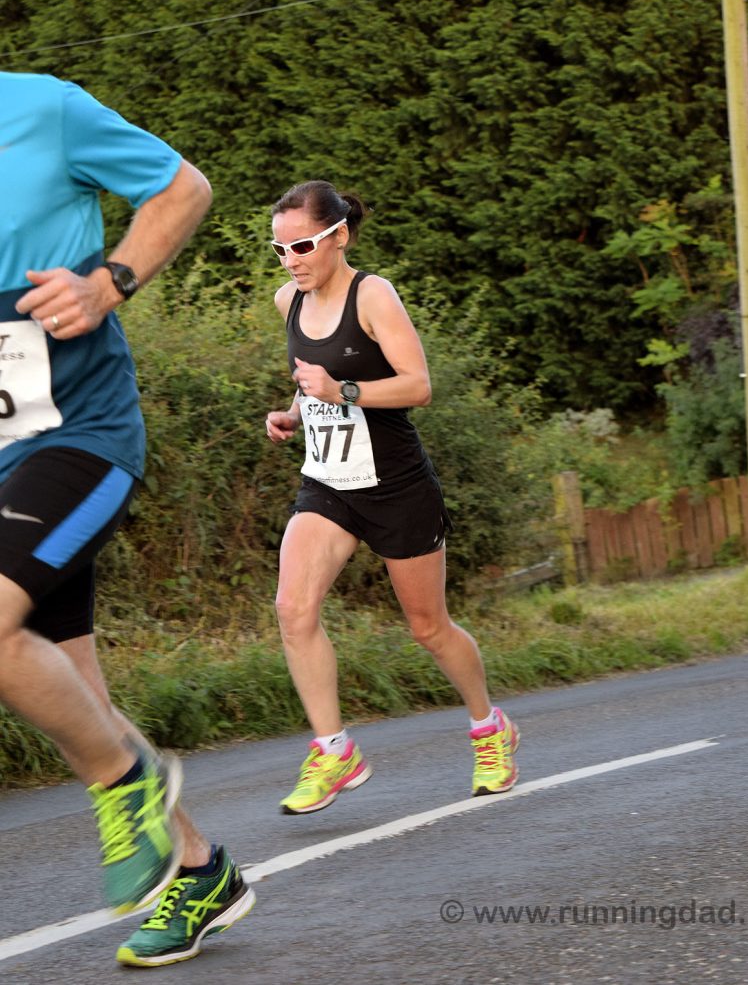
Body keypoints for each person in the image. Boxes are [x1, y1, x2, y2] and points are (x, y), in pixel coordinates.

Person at [0, 72, 255, 967]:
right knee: (76, 691)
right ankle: (201, 871)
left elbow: (183, 187)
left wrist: (108, 283)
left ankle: (128, 781)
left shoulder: (41, 108)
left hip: (80, 436)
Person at [265, 179, 520, 814]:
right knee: (293, 609)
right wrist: (295, 412)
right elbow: (311, 383)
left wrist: (339, 392)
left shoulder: (373, 295)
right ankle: (334, 750)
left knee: (428, 626)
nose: (290, 260)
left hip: (396, 486)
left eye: (300, 246)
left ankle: (491, 729)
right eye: (278, 250)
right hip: (328, 482)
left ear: (338, 236)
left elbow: (417, 386)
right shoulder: (286, 302)